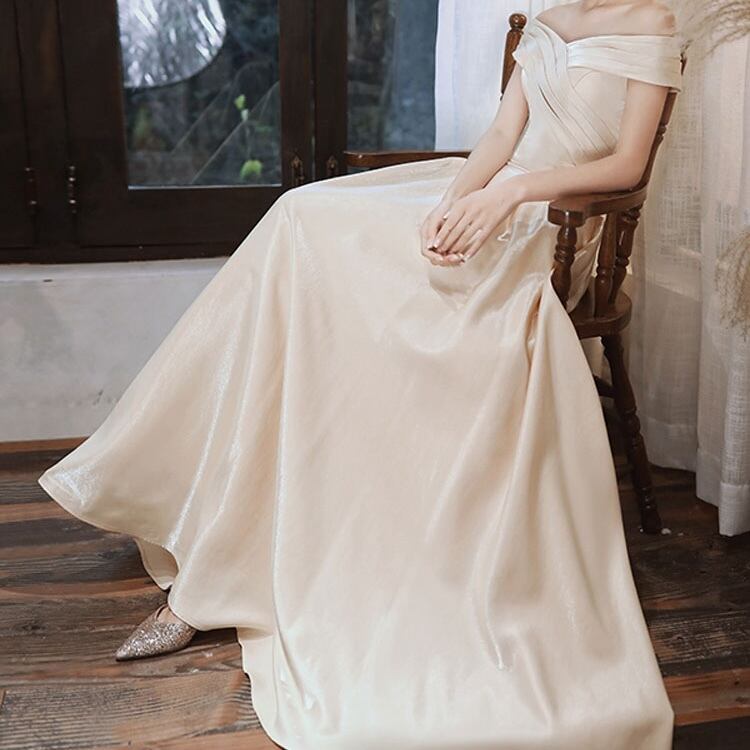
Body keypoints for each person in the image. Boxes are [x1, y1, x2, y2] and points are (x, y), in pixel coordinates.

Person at [38, 1, 683, 747]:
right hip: (485, 193)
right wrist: (454, 203)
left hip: (551, 219)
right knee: (300, 218)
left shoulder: (654, 23)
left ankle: (264, 546)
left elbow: (626, 166)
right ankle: (231, 511)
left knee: (363, 290)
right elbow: (501, 137)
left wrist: (509, 194)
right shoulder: (551, 14)